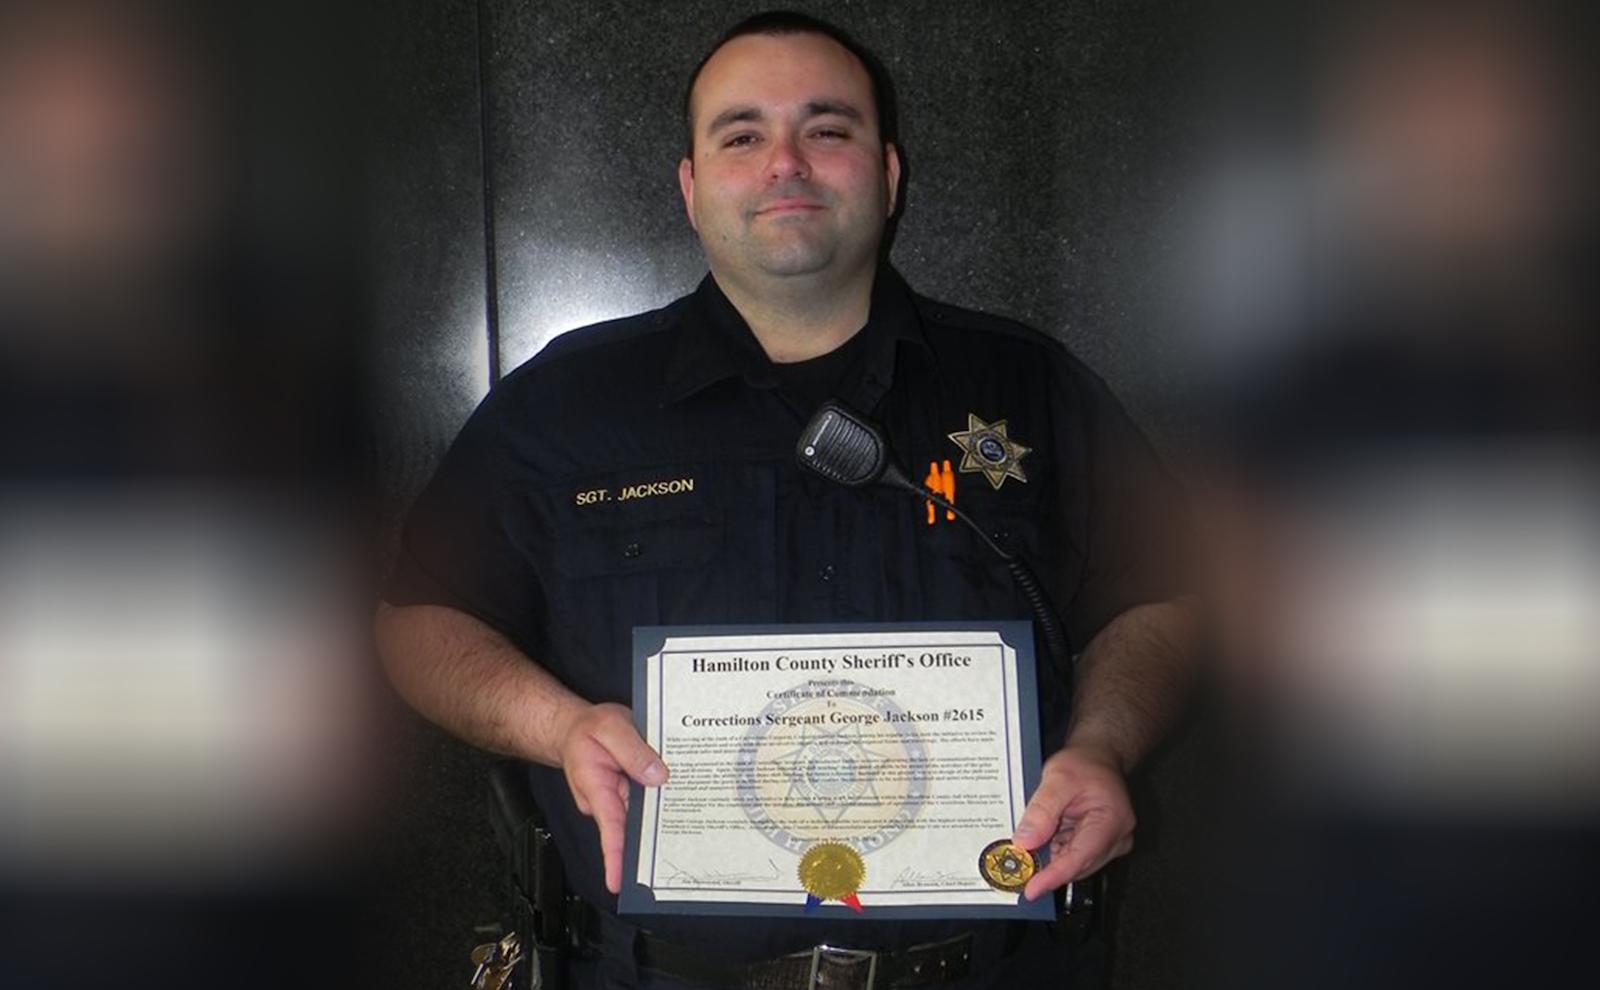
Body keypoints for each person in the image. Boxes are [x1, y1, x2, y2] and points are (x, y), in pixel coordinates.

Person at [377, 10, 1196, 988]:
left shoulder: (1030, 389)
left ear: (887, 175)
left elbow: (1160, 600)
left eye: (827, 128)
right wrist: (557, 726)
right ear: (690, 186)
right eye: (741, 134)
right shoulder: (562, 404)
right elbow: (417, 624)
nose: (785, 162)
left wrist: (1102, 747)